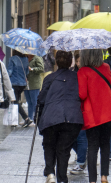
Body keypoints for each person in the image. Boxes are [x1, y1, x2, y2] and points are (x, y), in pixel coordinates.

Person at [35, 51, 84, 183]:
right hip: (72, 118)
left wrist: (38, 119)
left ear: (56, 62)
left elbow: (41, 99)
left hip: (52, 116)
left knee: (49, 144)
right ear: (70, 62)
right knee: (64, 149)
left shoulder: (50, 78)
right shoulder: (78, 77)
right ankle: (62, 178)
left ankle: (50, 172)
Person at [77, 49, 111, 183]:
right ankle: (104, 176)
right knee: (105, 144)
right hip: (109, 111)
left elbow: (82, 95)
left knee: (93, 146)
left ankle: (93, 180)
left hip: (93, 113)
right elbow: (110, 85)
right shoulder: (106, 67)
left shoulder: (82, 71)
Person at [69, 53, 88, 175]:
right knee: (70, 137)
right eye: (77, 61)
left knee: (81, 136)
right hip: (73, 108)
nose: (78, 64)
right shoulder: (72, 74)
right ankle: (83, 154)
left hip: (84, 109)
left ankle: (81, 162)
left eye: (80, 61)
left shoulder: (88, 73)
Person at [7, 50, 33, 128]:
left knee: (15, 101)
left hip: (14, 83)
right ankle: (15, 120)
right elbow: (27, 72)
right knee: (16, 101)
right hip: (22, 84)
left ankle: (26, 118)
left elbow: (10, 72)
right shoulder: (25, 59)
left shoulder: (12, 59)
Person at [24, 54, 44, 122]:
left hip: (34, 83)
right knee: (29, 102)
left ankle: (35, 118)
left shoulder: (37, 57)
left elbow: (41, 68)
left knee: (34, 102)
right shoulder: (25, 58)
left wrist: (32, 69)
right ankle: (30, 118)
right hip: (26, 83)